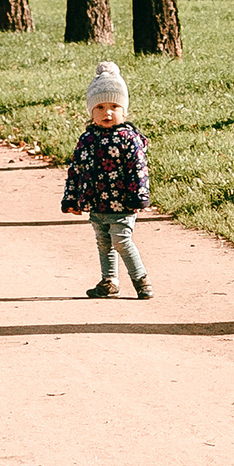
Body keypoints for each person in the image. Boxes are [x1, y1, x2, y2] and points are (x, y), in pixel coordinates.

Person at [60, 61, 152, 299]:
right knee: (103, 242)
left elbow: (138, 168)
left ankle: (141, 280)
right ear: (91, 112)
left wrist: (138, 196)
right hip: (96, 204)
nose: (107, 113)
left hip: (122, 203)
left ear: (124, 110)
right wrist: (71, 198)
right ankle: (109, 280)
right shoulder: (87, 138)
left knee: (121, 240)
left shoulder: (128, 138)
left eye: (114, 106)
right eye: (100, 107)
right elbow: (76, 169)